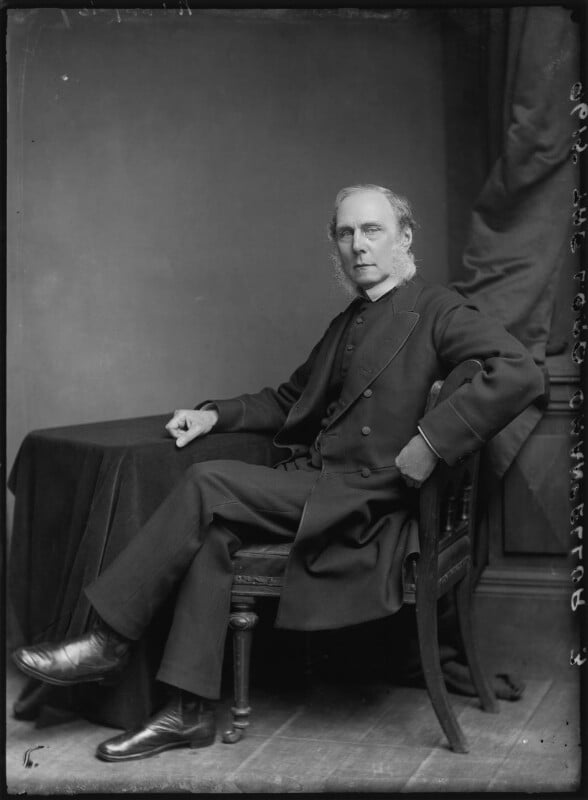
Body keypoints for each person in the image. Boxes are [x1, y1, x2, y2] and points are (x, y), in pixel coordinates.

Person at [13, 184, 544, 762]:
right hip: (325, 484)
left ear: (405, 237)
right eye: (346, 233)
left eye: (372, 230)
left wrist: (431, 441)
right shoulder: (349, 321)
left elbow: (520, 371)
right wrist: (214, 415)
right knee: (213, 536)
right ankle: (187, 712)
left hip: (374, 500)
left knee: (206, 482)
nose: (358, 246)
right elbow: (290, 398)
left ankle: (108, 639)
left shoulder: (438, 309)